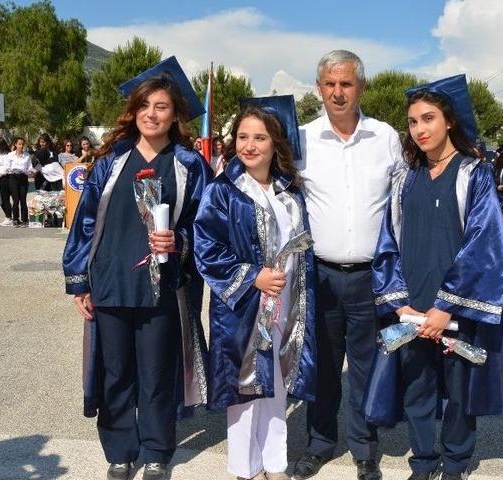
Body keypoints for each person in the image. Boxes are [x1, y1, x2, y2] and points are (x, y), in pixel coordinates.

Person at [369, 75, 503, 480]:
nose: (420, 130)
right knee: (418, 387)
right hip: (412, 302)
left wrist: (445, 307)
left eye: (428, 118)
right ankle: (423, 463)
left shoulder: (472, 174)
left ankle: (455, 463)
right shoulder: (405, 178)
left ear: (449, 121)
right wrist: (399, 302)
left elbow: (485, 245)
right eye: (412, 122)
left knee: (459, 392)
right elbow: (387, 240)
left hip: (455, 308)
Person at [62, 56, 211, 480]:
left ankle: (157, 451)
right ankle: (120, 449)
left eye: (161, 106)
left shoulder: (189, 165)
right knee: (115, 373)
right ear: (134, 111)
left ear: (175, 114)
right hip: (110, 281)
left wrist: (179, 242)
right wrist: (79, 282)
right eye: (145, 105)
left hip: (161, 287)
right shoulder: (111, 162)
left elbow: (205, 226)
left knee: (156, 373)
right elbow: (85, 222)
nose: (152, 114)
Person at [291, 49, 403, 480]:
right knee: (319, 364)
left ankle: (364, 449)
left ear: (362, 87)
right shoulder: (301, 139)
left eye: (346, 84)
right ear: (319, 88)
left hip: (370, 276)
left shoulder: (386, 137)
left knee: (367, 366)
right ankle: (319, 444)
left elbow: (400, 206)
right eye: (330, 84)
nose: (338, 93)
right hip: (318, 273)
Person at [194, 96, 316, 480]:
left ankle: (275, 462)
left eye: (259, 137)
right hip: (244, 309)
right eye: (243, 137)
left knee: (276, 385)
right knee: (246, 390)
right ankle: (245, 468)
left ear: (275, 143)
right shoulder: (224, 190)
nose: (249, 145)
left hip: (285, 305)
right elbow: (206, 248)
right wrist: (252, 277)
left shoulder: (289, 192)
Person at [7, 137, 33, 227]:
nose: (21, 146)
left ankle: (25, 219)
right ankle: (15, 219)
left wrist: (30, 171)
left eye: (22, 144)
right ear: (15, 145)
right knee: (16, 199)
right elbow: (7, 167)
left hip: (23, 178)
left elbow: (30, 167)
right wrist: (12, 169)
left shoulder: (27, 155)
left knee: (23, 199)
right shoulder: (10, 155)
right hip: (13, 177)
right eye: (19, 144)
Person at [0, 140, 15, 226]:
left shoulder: (7, 154)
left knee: (5, 198)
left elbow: (7, 167)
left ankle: (9, 217)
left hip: (3, 177)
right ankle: (8, 216)